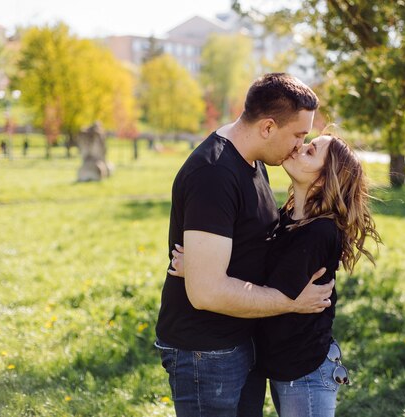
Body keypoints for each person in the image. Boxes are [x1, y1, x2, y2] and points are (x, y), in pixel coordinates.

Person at [154, 73, 334, 417]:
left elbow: (253, 245)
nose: (300, 145)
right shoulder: (214, 174)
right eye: (298, 135)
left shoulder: (253, 161)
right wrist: (291, 302)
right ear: (267, 127)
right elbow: (206, 293)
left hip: (242, 340)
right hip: (206, 352)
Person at [171, 133, 381, 417]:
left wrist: (200, 270)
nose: (299, 147)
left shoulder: (320, 232)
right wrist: (204, 267)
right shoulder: (289, 218)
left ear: (323, 179)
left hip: (306, 370)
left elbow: (272, 290)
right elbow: (259, 265)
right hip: (286, 368)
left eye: (310, 151)